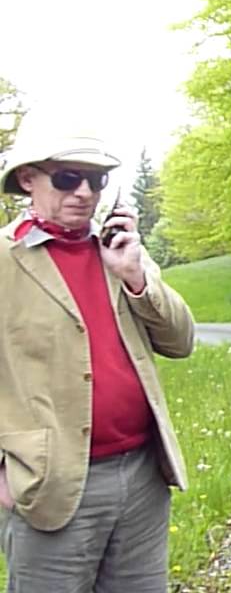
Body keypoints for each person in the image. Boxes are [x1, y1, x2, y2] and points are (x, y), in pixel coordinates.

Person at [0, 130, 196, 592]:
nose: (85, 193)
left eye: (97, 180)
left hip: (143, 476)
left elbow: (181, 340)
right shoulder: (5, 261)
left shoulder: (119, 250)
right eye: (68, 178)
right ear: (29, 180)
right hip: (50, 488)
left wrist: (134, 277)